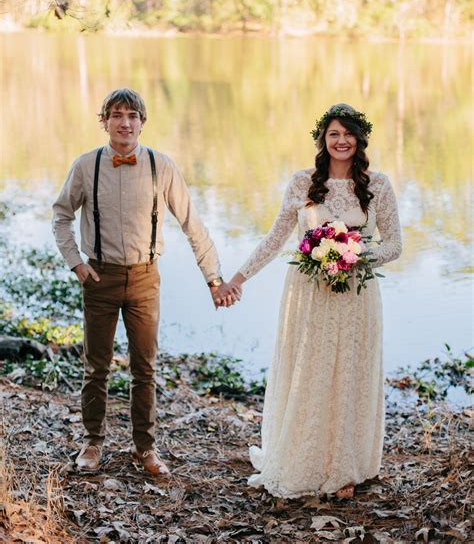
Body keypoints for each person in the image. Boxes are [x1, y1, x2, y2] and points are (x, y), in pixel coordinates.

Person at [52, 88, 239, 474]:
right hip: (99, 277)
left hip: (144, 278)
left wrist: (213, 279)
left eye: (132, 115)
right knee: (96, 366)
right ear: (103, 121)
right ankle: (92, 444)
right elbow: (61, 216)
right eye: (116, 115)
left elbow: (192, 224)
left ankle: (145, 448)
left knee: (145, 368)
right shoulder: (86, 165)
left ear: (142, 122)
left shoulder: (161, 165)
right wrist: (75, 264)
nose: (124, 122)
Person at [223, 103, 402, 499]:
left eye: (348, 134)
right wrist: (237, 279)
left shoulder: (380, 185)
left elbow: (395, 245)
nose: (341, 141)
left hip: (357, 294)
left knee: (351, 373)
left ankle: (346, 467)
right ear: (323, 139)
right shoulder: (302, 182)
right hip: (310, 294)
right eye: (333, 134)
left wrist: (354, 254)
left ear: (360, 138)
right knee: (312, 372)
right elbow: (274, 238)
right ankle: (307, 458)